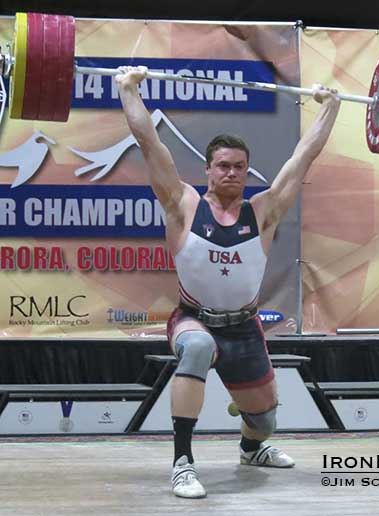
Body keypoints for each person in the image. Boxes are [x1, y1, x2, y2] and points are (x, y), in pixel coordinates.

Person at [116, 66, 340, 499]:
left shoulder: (265, 211)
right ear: (208, 169)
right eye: (223, 166)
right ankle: (183, 464)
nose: (232, 173)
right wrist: (128, 89)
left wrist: (329, 108)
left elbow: (303, 159)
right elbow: (149, 142)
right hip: (193, 320)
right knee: (198, 348)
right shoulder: (182, 205)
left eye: (240, 166)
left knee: (265, 420)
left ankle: (251, 449)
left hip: (245, 328)